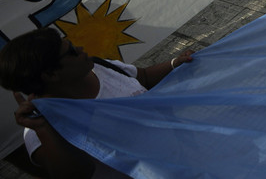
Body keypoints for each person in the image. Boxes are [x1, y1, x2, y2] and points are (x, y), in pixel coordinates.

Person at [0, 27, 194, 179]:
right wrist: (44, 129)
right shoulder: (40, 131)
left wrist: (175, 64)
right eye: (72, 52)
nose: (81, 49)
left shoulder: (101, 67)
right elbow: (75, 175)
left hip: (187, 162)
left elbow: (142, 76)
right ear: (51, 74)